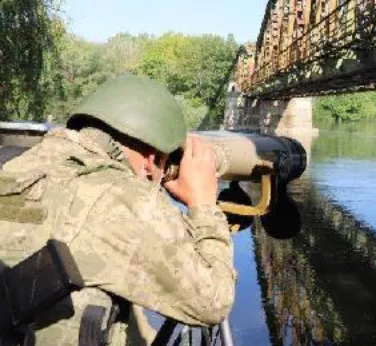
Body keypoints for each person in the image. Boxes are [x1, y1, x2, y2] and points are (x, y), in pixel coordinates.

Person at [0, 75, 236, 345]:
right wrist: (204, 205)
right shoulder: (129, 201)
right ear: (152, 160)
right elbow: (213, 302)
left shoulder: (12, 162)